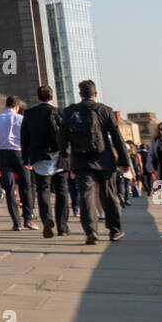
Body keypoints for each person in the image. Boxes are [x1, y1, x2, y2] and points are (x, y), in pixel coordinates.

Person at [61, 80, 130, 244]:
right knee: (108, 195)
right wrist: (123, 159)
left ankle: (91, 231)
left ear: (80, 94)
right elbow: (117, 138)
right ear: (95, 94)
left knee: (86, 195)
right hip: (104, 160)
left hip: (81, 160)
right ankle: (115, 230)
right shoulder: (105, 110)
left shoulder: (70, 111)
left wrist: (65, 153)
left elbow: (62, 134)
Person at [22, 85, 68, 238]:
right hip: (60, 156)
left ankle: (47, 219)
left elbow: (25, 138)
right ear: (52, 97)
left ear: (38, 97)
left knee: (43, 190)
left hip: (39, 156)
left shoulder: (29, 113)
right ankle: (62, 226)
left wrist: (25, 158)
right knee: (62, 191)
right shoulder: (60, 112)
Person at [0, 96, 35, 230]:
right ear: (17, 107)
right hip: (20, 154)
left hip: (4, 154)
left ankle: (16, 222)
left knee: (9, 189)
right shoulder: (22, 119)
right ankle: (28, 218)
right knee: (26, 186)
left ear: (5, 105)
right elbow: (29, 140)